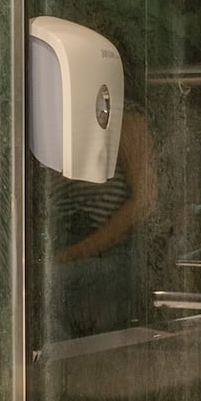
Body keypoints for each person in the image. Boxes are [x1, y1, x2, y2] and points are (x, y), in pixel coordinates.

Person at [46, 101, 156, 339]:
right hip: (60, 247)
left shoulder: (123, 118)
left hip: (106, 254)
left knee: (44, 289)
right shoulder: (54, 123)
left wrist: (77, 252)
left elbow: (145, 199)